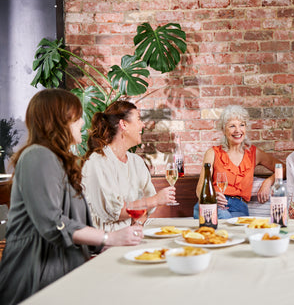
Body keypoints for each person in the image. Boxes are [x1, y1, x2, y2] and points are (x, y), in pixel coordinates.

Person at [0, 89, 143, 305]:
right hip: (36, 276)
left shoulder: (60, 162)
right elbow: (53, 223)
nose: (83, 124)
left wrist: (109, 244)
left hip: (66, 269)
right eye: (77, 118)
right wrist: (108, 238)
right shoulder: (37, 156)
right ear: (59, 120)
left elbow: (76, 225)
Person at [82, 101, 177, 231]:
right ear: (123, 124)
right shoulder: (97, 162)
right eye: (138, 119)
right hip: (102, 244)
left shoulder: (136, 162)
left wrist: (137, 226)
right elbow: (114, 211)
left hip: (131, 238)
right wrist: (155, 200)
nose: (143, 125)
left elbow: (147, 206)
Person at [193, 105, 284, 219]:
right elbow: (199, 189)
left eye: (242, 125)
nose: (238, 130)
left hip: (239, 207)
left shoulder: (254, 153)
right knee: (224, 219)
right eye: (232, 126)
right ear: (224, 130)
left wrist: (268, 182)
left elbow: (284, 168)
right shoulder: (212, 153)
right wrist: (212, 195)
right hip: (212, 203)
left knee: (236, 227)